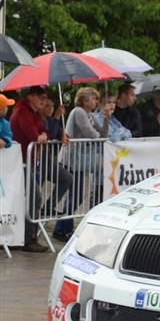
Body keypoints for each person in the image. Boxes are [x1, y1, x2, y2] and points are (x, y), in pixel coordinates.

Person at [9, 86, 71, 252]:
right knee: (34, 197)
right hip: (21, 162)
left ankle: (40, 220)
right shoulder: (22, 112)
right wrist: (41, 135)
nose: (44, 101)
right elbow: (33, 135)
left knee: (37, 195)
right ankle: (28, 239)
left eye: (45, 98)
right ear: (31, 97)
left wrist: (44, 135)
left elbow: (44, 131)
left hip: (32, 160)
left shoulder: (34, 113)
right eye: (41, 97)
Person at [56, 87, 110, 242]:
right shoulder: (78, 112)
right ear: (84, 100)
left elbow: (103, 134)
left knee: (76, 195)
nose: (96, 101)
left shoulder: (90, 115)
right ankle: (62, 228)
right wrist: (98, 136)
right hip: (71, 159)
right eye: (93, 98)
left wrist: (106, 120)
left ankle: (64, 228)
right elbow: (90, 133)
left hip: (79, 161)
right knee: (76, 196)